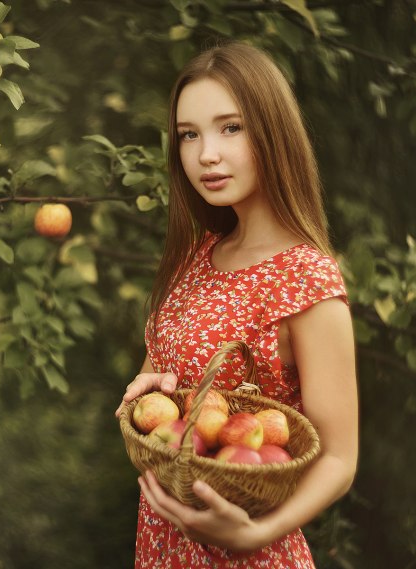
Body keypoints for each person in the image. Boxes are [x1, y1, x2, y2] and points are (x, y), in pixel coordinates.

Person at [114, 42, 359, 568]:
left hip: (249, 554)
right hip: (163, 547)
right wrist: (147, 391)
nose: (206, 154)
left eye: (231, 128)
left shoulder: (306, 278)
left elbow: (340, 458)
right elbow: (169, 387)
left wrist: (255, 533)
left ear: (273, 132)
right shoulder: (199, 255)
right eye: (189, 134)